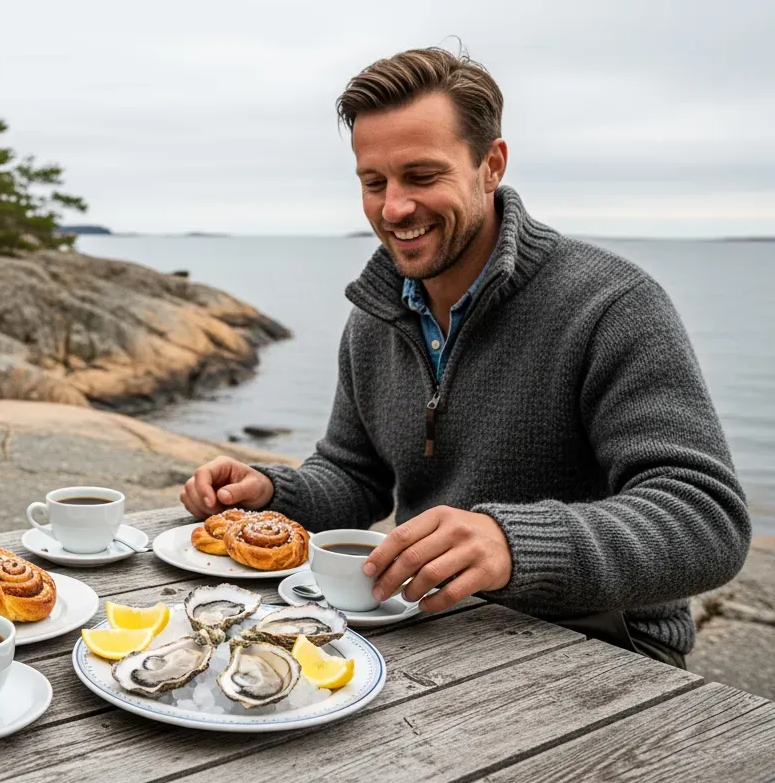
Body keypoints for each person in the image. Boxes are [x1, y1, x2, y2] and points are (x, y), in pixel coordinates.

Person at [179, 47, 751, 667]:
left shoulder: (612, 304)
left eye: (422, 176)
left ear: (491, 165)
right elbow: (354, 476)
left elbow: (707, 520)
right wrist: (273, 490)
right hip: (428, 623)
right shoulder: (376, 315)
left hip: (602, 642)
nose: (394, 208)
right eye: (374, 183)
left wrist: (512, 543)